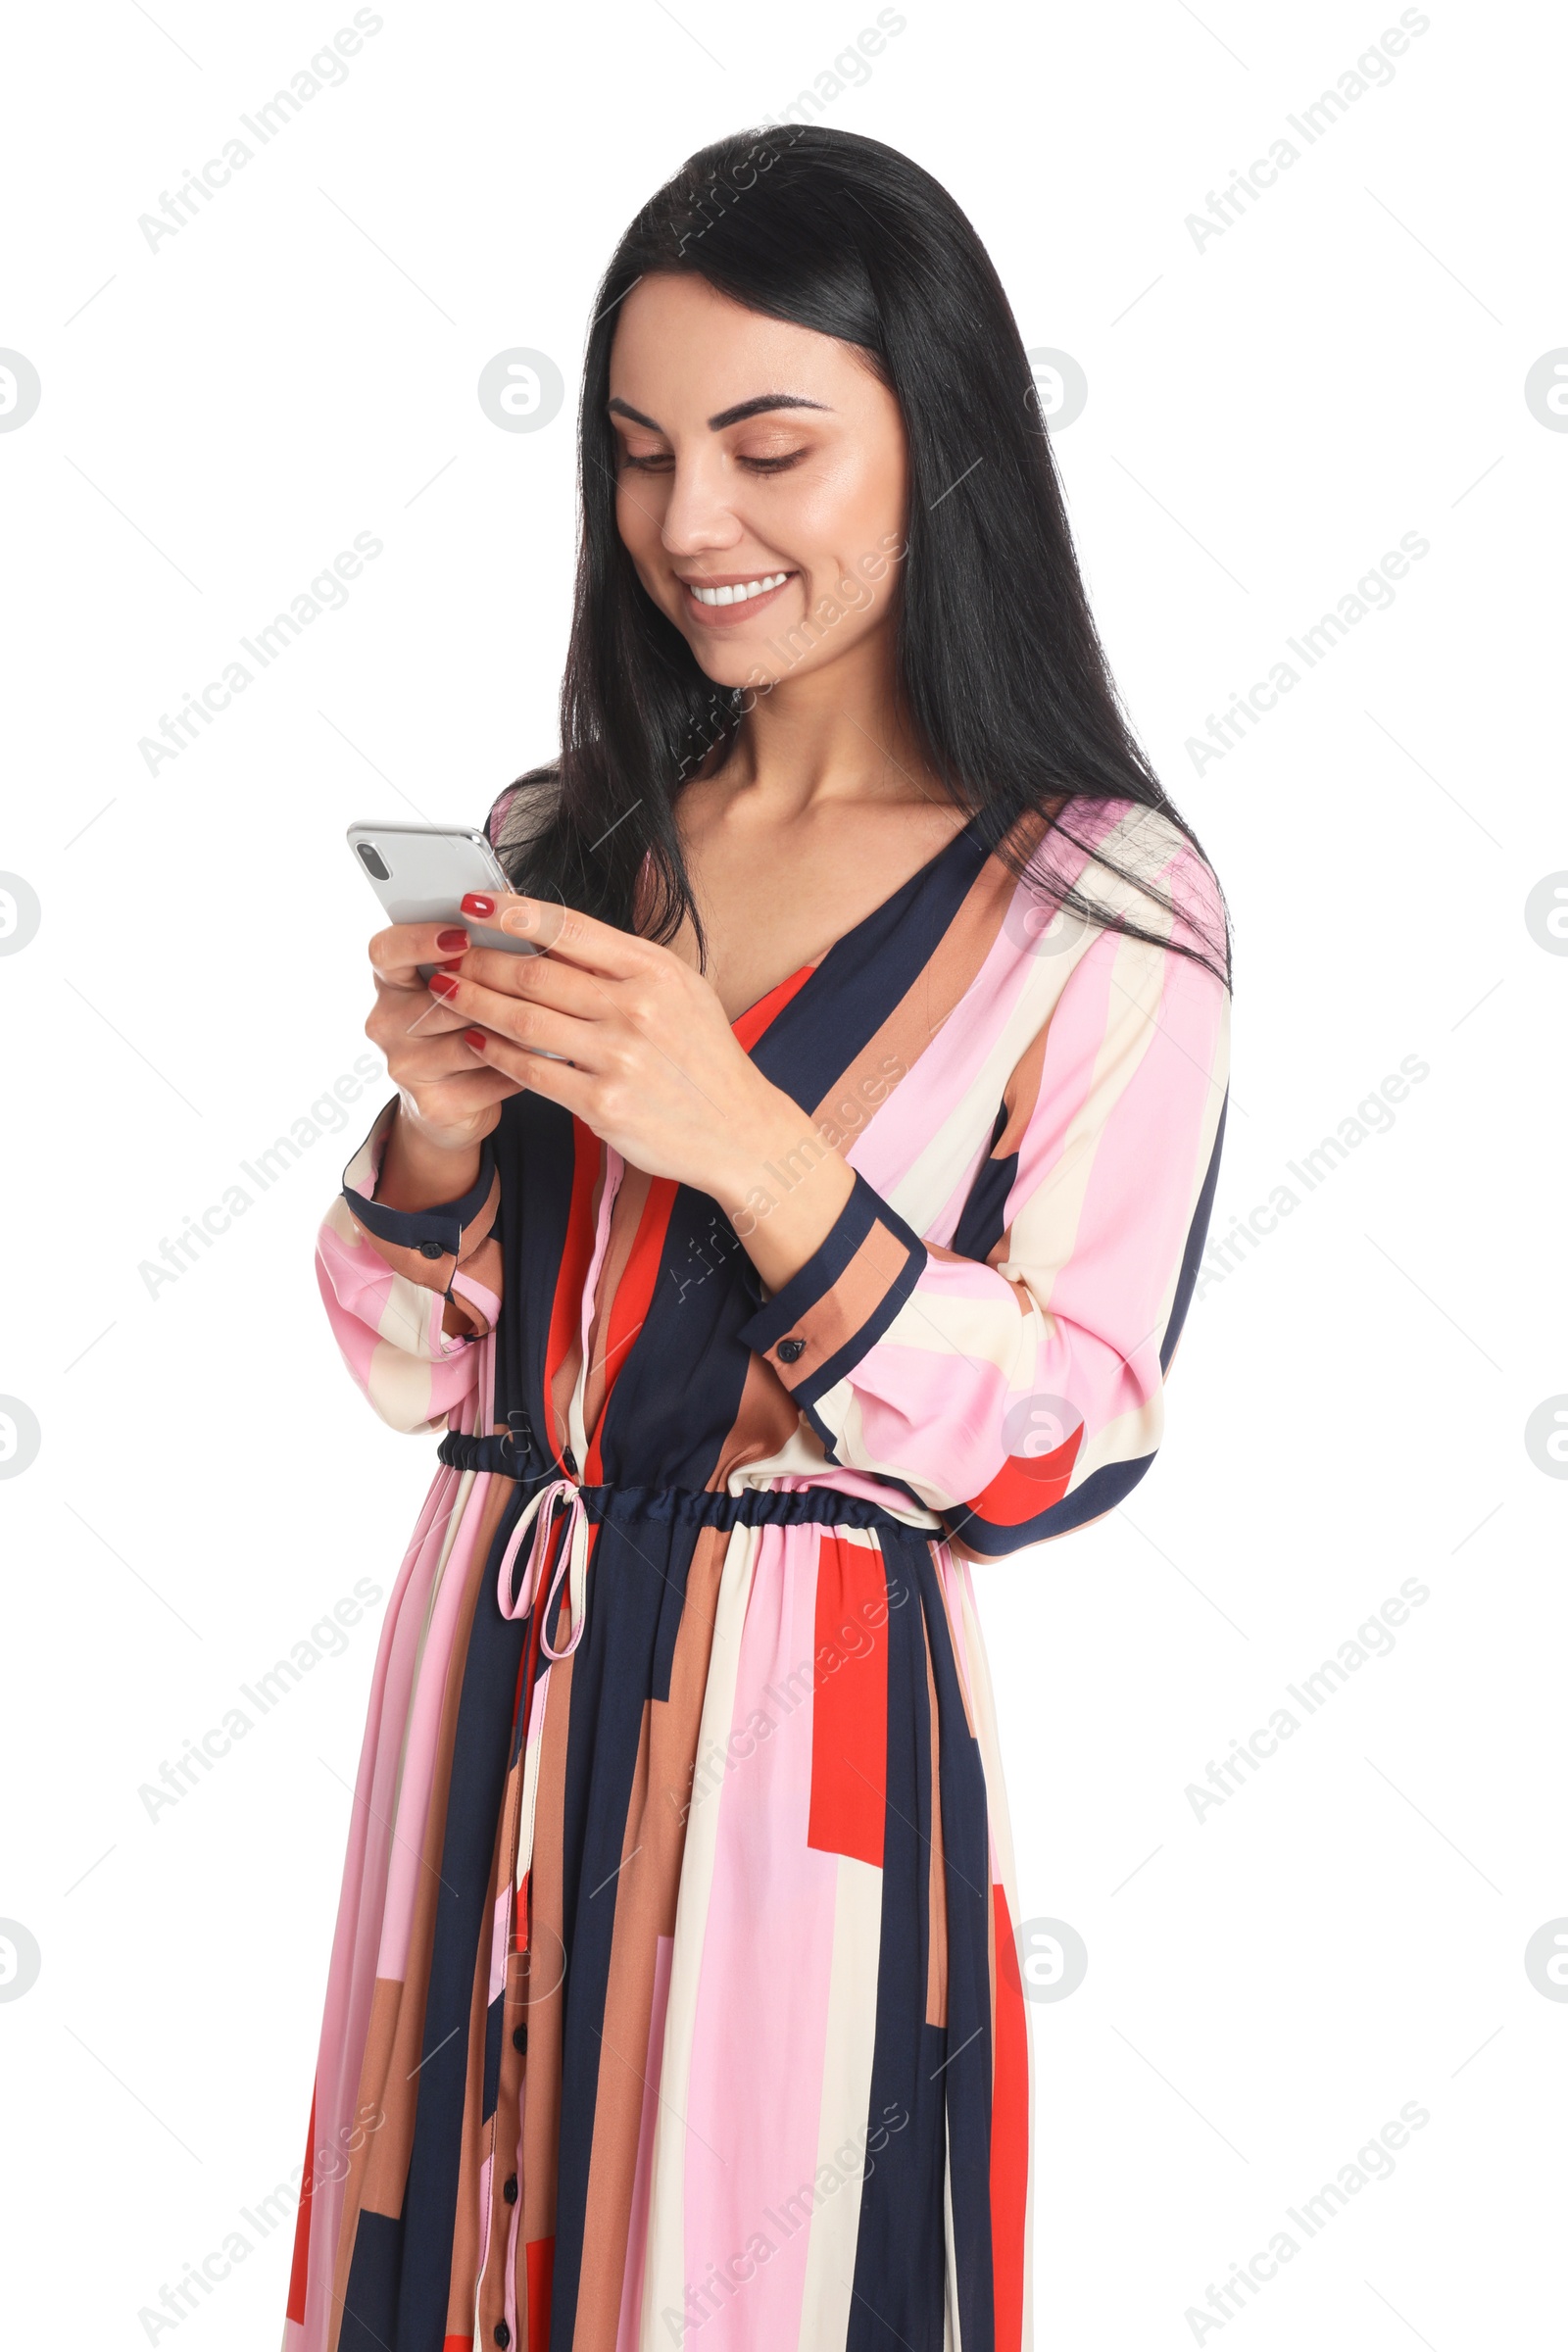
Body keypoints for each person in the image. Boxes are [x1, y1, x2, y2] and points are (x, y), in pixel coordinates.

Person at [283, 124, 1230, 2352]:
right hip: (482, 1671)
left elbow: (1064, 1445)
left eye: (767, 445)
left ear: (943, 442)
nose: (688, 524)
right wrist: (431, 1138)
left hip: (797, 1709)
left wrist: (753, 1146)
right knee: (442, 2250)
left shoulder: (1096, 907)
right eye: (636, 454)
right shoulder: (567, 835)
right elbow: (419, 1373)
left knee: (759, 2282)